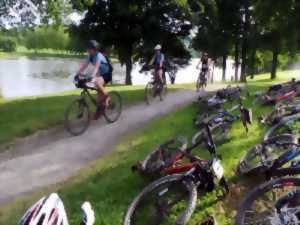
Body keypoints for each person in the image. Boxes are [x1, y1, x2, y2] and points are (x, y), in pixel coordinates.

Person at [76, 40, 112, 119]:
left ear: (94, 49)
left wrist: (92, 76)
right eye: (88, 49)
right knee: (99, 97)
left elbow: (96, 67)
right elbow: (84, 66)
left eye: (89, 49)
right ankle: (99, 112)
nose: (88, 50)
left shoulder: (99, 56)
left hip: (107, 74)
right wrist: (77, 74)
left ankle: (107, 96)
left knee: (97, 83)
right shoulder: (90, 56)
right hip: (100, 75)